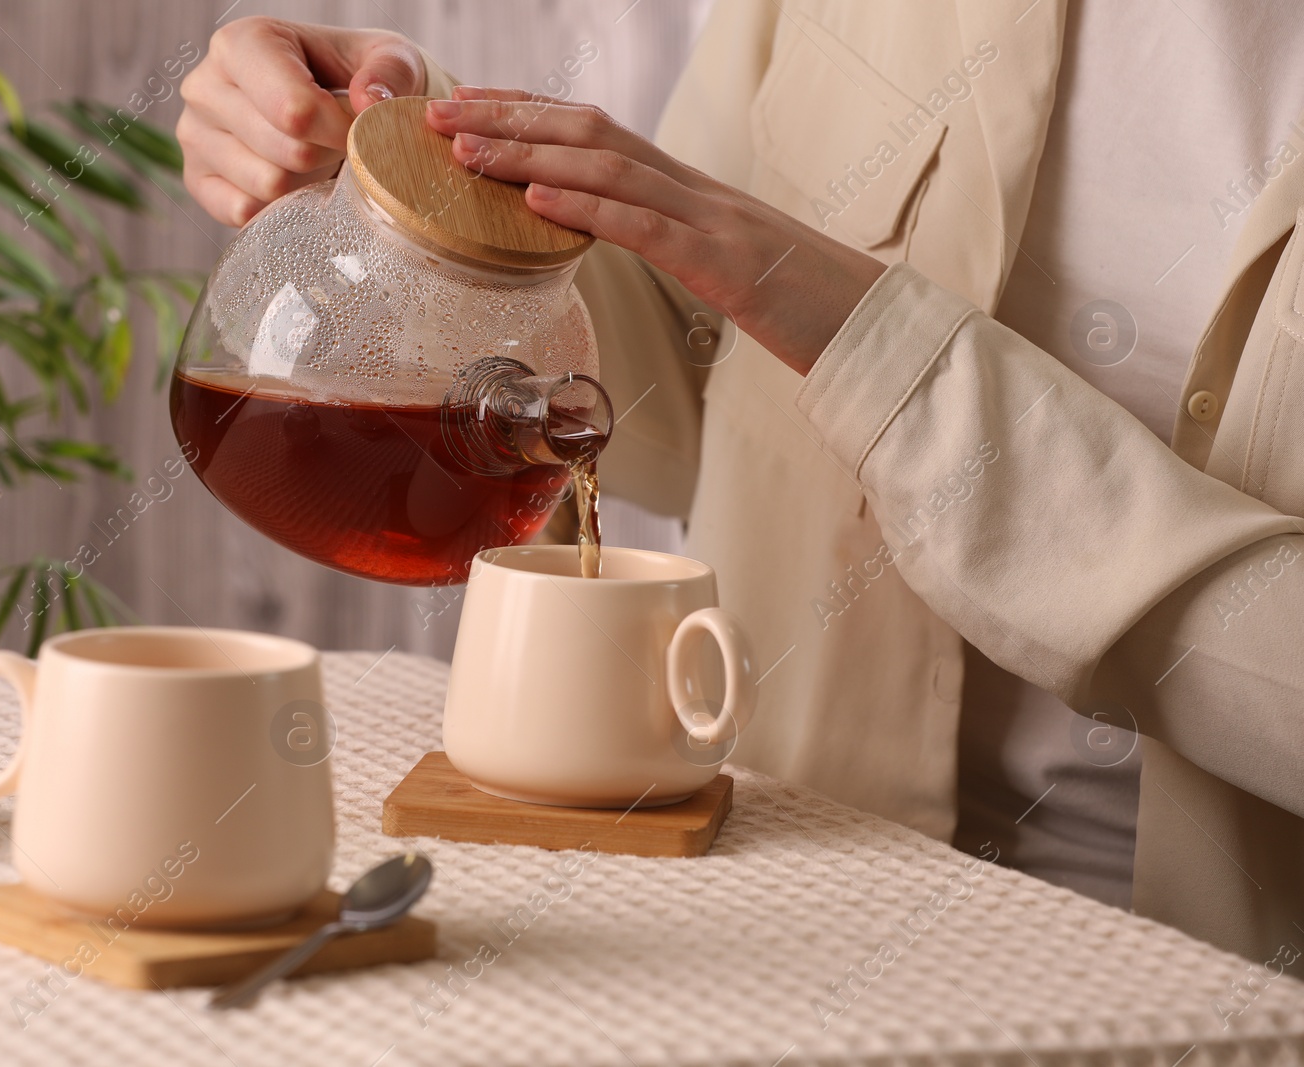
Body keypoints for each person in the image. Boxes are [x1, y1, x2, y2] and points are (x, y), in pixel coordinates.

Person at [176, 2, 1304, 962]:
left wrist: (882, 355)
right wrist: (433, 173)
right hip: (782, 907)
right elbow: (694, 359)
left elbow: (817, 318)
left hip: (1227, 982)